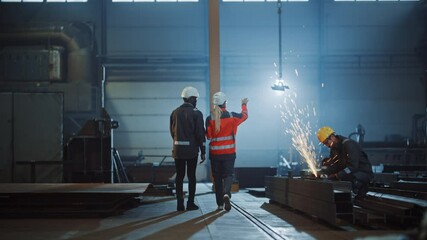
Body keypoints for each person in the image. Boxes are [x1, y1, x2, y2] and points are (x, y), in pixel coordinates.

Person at [206, 92, 248, 211]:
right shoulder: (232, 116)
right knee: (228, 175)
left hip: (215, 155)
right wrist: (244, 105)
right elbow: (244, 116)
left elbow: (208, 136)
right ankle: (226, 193)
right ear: (224, 103)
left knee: (217, 178)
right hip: (229, 153)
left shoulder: (210, 119)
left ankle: (220, 204)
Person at [170, 86, 206, 211]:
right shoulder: (197, 113)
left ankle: (180, 203)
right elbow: (200, 134)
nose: (196, 101)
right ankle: (190, 203)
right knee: (191, 176)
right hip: (191, 151)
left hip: (178, 150)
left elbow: (172, 131)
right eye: (195, 98)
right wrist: (203, 151)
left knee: (179, 176)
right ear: (190, 98)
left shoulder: (174, 112)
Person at [317, 126, 373, 200]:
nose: (327, 145)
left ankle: (361, 189)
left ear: (332, 137)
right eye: (324, 144)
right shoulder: (334, 149)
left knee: (346, 179)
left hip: (362, 172)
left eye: (327, 142)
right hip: (350, 172)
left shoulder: (349, 144)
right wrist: (322, 171)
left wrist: (338, 175)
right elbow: (334, 165)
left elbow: (353, 167)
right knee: (334, 179)